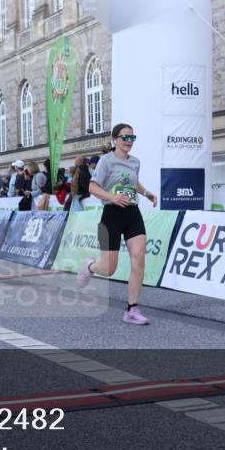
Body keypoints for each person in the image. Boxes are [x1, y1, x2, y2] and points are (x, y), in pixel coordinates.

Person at [76, 124, 157, 325]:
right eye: (124, 137)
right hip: (111, 215)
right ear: (114, 139)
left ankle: (132, 309)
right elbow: (92, 186)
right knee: (109, 268)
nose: (128, 141)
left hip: (132, 214)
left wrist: (146, 193)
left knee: (138, 260)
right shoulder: (106, 161)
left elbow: (133, 181)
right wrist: (112, 197)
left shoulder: (135, 162)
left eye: (132, 138)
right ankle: (90, 266)